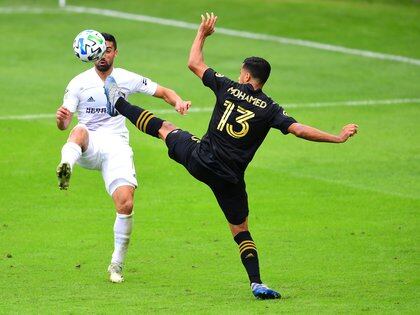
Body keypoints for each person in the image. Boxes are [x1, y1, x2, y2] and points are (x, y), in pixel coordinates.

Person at [104, 13, 358, 299]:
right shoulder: (271, 108)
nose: (239, 75)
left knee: (166, 128)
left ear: (247, 76)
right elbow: (299, 130)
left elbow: (194, 63)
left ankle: (119, 102)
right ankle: (256, 282)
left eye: (241, 72)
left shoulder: (229, 87)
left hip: (201, 158)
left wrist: (202, 33)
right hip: (230, 179)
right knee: (241, 231)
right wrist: (336, 137)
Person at [55, 32, 191, 283]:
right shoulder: (78, 83)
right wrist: (62, 120)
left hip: (116, 145)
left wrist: (178, 102)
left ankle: (116, 264)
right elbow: (64, 124)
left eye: (108, 50)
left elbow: (162, 91)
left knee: (126, 204)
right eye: (100, 50)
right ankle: (65, 166)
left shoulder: (126, 78)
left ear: (115, 53)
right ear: (91, 54)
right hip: (90, 143)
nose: (103, 54)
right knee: (78, 129)